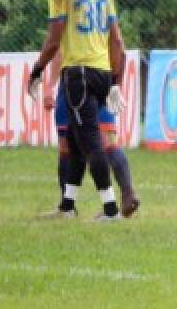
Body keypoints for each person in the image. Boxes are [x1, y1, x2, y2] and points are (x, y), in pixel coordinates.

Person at [27, 0, 127, 221]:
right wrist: (116, 82)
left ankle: (110, 209)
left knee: (90, 142)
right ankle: (68, 206)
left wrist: (36, 70)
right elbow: (117, 41)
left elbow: (53, 40)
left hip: (78, 73)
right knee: (72, 135)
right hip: (101, 71)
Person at [42, 54, 139, 218]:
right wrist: (115, 83)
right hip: (102, 78)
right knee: (104, 140)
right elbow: (119, 50)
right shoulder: (106, 27)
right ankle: (126, 193)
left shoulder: (69, 28)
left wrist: (49, 84)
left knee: (68, 143)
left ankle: (106, 209)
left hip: (75, 80)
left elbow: (58, 49)